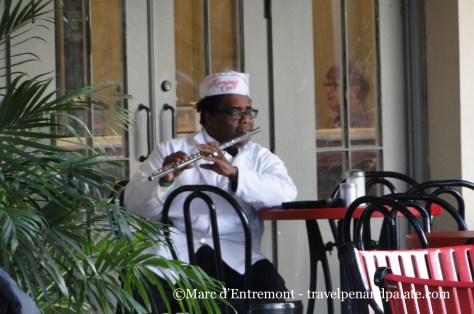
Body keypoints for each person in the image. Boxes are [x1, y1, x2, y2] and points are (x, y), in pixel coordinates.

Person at [123, 71, 297, 313]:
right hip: (173, 254)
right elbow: (132, 205)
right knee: (142, 297)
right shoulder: (170, 150)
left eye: (248, 111)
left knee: (274, 296)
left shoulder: (261, 157)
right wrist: (164, 180)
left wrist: (235, 174)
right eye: (236, 112)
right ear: (209, 117)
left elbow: (286, 195)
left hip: (237, 254)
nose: (246, 119)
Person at [324, 62, 371, 128]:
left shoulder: (359, 120)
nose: (328, 90)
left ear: (355, 91)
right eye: (327, 85)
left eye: (335, 85)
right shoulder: (338, 119)